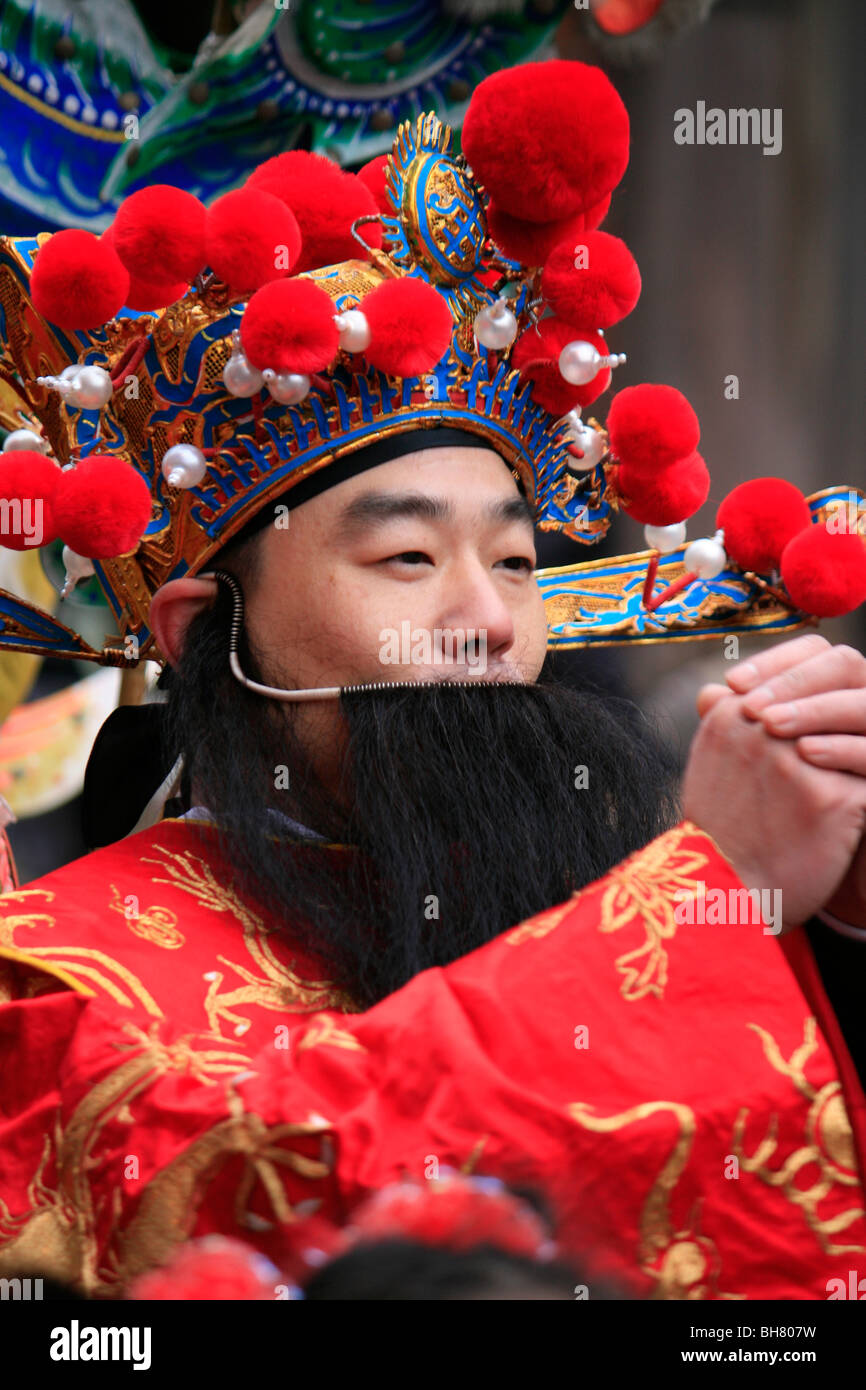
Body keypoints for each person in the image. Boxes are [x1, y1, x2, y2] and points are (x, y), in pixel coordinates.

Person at [0, 58, 864, 1301]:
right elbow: (238, 1195)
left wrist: (834, 931)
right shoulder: (59, 972)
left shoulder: (602, 887)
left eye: (515, 562)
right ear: (202, 635)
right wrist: (696, 899)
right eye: (407, 556)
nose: (487, 621)